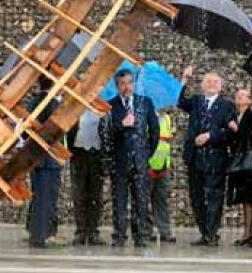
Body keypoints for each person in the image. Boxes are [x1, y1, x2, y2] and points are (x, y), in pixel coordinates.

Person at [100, 69, 159, 247]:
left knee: (141, 199)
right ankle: (119, 235)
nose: (127, 87)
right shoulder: (110, 106)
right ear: (117, 86)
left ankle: (140, 235)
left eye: (129, 82)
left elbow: (154, 132)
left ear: (133, 83)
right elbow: (104, 133)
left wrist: (146, 154)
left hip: (140, 161)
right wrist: (121, 124)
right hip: (119, 162)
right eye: (123, 83)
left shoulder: (145, 103)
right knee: (119, 199)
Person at [177, 67, 235, 247]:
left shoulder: (227, 106)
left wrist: (210, 136)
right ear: (202, 86)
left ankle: (211, 233)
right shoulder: (196, 101)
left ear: (220, 86)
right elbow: (179, 101)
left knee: (214, 197)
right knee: (196, 197)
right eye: (208, 81)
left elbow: (229, 133)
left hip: (215, 159)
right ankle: (204, 232)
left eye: (215, 82)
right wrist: (184, 79)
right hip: (195, 158)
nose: (211, 84)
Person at [227, 89, 252, 247]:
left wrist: (237, 129)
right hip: (241, 163)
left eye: (243, 96)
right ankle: (246, 231)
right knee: (245, 198)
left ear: (249, 100)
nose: (239, 97)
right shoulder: (234, 117)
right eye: (237, 96)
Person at [26, 78, 63, 248]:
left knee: (39, 197)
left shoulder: (34, 101)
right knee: (45, 198)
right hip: (48, 159)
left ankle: (38, 233)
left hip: (36, 158)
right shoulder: (51, 103)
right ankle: (41, 236)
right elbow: (57, 128)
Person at [68, 110, 105, 246]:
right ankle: (81, 231)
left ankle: (94, 231)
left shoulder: (103, 111)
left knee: (96, 195)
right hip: (79, 153)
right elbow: (69, 132)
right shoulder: (76, 110)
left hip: (97, 154)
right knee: (79, 194)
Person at [146, 108, 177, 244]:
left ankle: (164, 230)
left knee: (161, 200)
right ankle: (146, 231)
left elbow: (165, 143)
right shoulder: (147, 115)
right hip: (149, 165)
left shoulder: (167, 118)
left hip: (163, 165)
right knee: (144, 200)